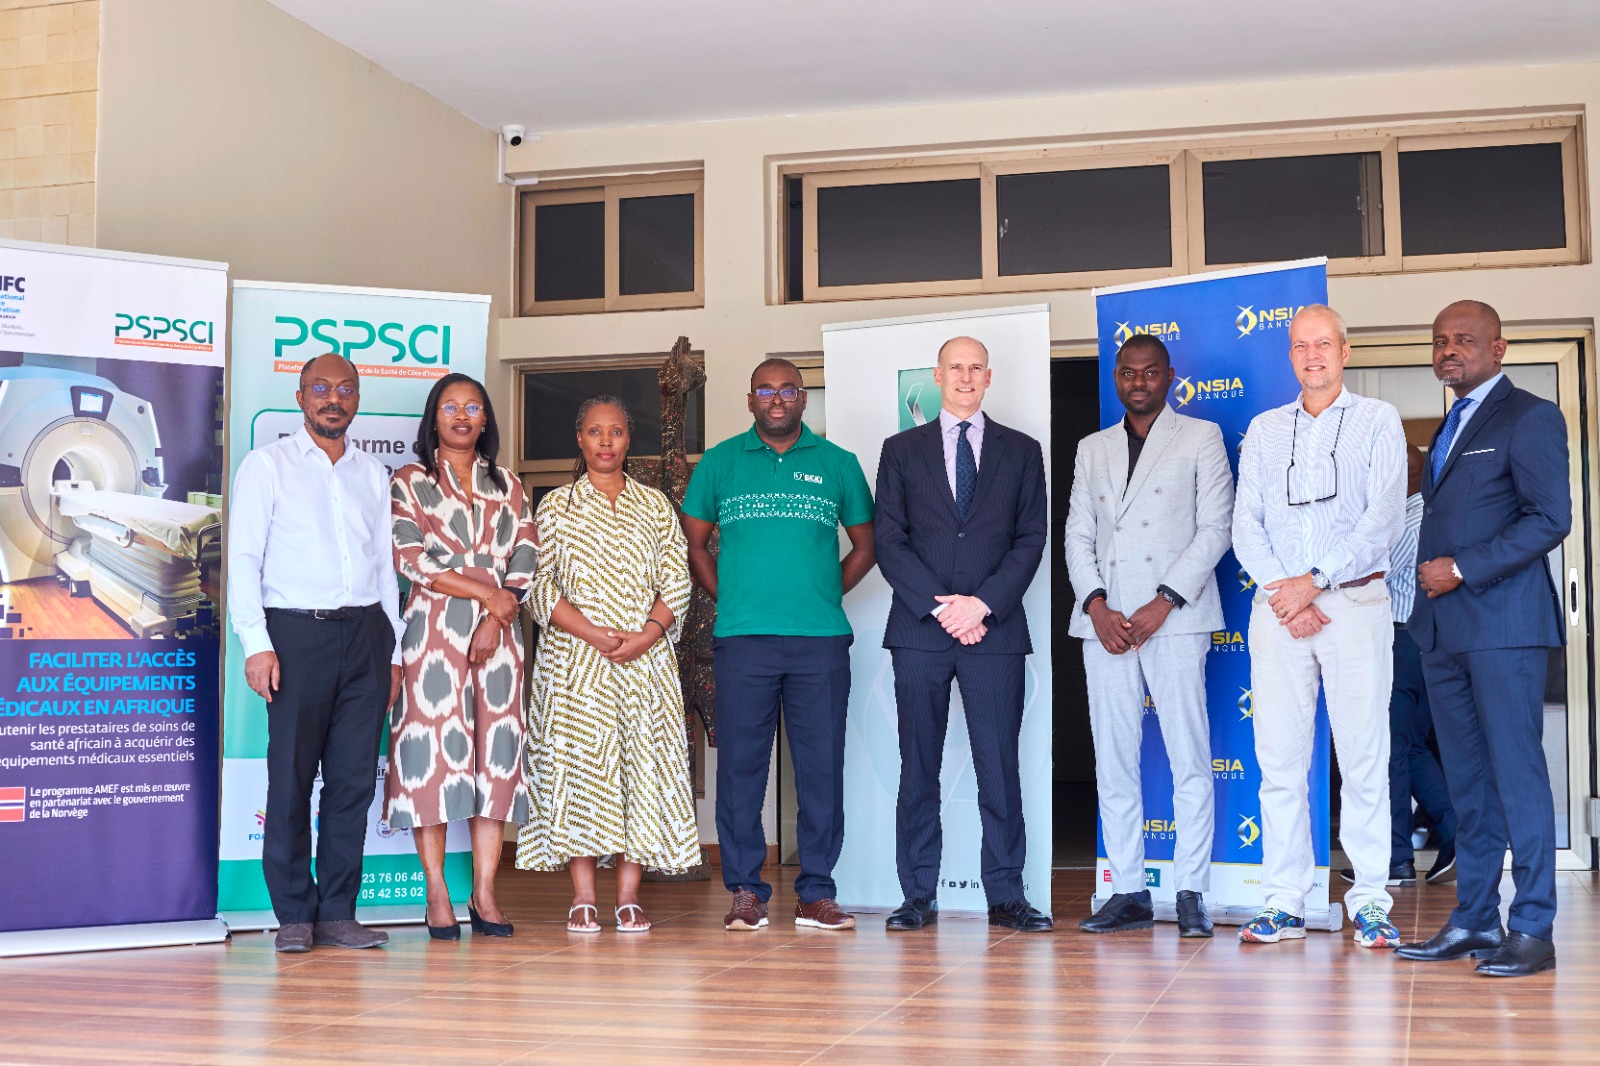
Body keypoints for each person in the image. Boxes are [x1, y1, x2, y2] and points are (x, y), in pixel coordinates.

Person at [1396, 301, 1570, 978]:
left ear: (1499, 349)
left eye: (1464, 341)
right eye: (1441, 341)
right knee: (1467, 782)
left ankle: (1532, 927)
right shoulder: (1451, 423)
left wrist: (1463, 567)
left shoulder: (1529, 417)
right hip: (1442, 634)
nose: (1450, 351)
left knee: (1516, 777)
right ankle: (1474, 917)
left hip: (1503, 629)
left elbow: (1551, 517)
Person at [1231, 305, 1406, 949]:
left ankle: (1369, 901)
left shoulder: (1377, 420)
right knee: (1278, 760)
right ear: (1290, 355)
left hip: (1354, 604)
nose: (1313, 356)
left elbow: (1383, 517)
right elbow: (1243, 524)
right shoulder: (1264, 429)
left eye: (1323, 344)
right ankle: (1284, 900)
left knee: (1363, 757)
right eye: (1301, 346)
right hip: (1279, 612)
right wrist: (1288, 593)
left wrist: (1318, 581)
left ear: (1345, 350)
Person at [682, 358, 876, 932]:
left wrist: (822, 594)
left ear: (802, 399)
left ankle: (817, 892)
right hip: (743, 641)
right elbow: (695, 545)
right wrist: (732, 597)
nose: (776, 398)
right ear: (749, 400)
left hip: (820, 643)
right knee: (742, 770)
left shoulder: (838, 464)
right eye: (764, 389)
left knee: (820, 770)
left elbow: (867, 546)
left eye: (788, 389)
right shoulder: (719, 463)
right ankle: (746, 891)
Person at [228, 352, 405, 954]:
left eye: (345, 389)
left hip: (366, 637)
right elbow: (245, 560)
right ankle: (295, 915)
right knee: (292, 779)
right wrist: (257, 645)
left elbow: (384, 568)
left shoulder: (372, 474)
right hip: (295, 636)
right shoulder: (266, 465)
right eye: (321, 388)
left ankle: (337, 912)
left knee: (354, 781)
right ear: (301, 396)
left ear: (357, 398)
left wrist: (395, 652)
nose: (334, 398)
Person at [874, 336, 1050, 933]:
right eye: (956, 367)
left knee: (999, 765)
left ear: (989, 377)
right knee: (918, 766)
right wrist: (941, 608)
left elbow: (1031, 538)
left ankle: (1006, 894)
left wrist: (983, 606)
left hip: (994, 633)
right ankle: (917, 894)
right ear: (938, 375)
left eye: (976, 367)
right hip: (921, 634)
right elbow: (889, 540)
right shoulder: (900, 450)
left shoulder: (1023, 452)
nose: (966, 376)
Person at [1064, 334, 1233, 938]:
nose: (1139, 382)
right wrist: (1096, 603)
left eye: (1151, 372)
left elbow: (1217, 528)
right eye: (1129, 373)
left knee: (1188, 756)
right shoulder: (1092, 447)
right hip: (1105, 623)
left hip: (1174, 616)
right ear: (1117, 378)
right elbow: (1076, 535)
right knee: (1114, 762)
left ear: (1169, 376)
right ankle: (1130, 890)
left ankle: (1191, 891)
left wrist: (1164, 600)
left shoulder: (1201, 437)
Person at [516, 396, 700, 933]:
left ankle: (628, 897)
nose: (605, 441)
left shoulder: (655, 506)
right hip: (575, 664)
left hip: (644, 665)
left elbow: (678, 582)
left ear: (628, 439)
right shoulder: (554, 507)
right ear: (579, 438)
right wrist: (594, 633)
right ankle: (582, 897)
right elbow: (537, 586)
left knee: (641, 771)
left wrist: (645, 637)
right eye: (594, 431)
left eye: (615, 432)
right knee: (579, 773)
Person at [385, 373, 536, 940]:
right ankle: (438, 895)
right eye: (451, 407)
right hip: (431, 634)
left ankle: (486, 894)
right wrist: (486, 596)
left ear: (486, 418)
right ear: (434, 417)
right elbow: (409, 557)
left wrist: (498, 616)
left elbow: (525, 553)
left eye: (474, 407)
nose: (463, 416)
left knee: (493, 762)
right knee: (432, 759)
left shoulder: (510, 484)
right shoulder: (410, 480)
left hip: (499, 641)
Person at [1340, 444, 1458, 889]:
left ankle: (1394, 857)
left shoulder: (1409, 520)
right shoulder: (1432, 512)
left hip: (1402, 641)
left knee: (1390, 748)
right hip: (1423, 644)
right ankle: (1452, 836)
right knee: (1408, 747)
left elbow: (1367, 576)